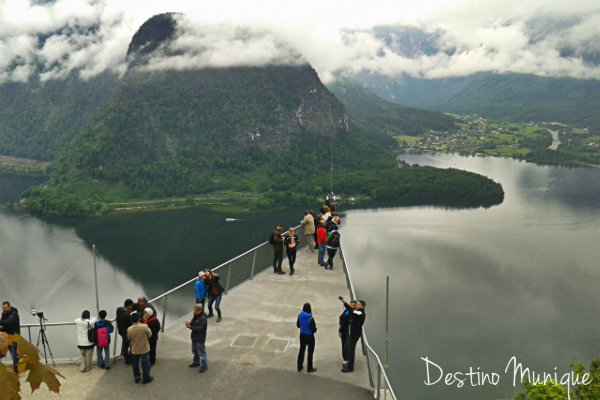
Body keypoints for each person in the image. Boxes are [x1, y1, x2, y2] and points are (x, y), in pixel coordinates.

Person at [339, 297, 366, 373]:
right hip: (350, 333)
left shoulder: (360, 313)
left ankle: (350, 368)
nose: (357, 305)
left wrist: (344, 302)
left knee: (351, 351)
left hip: (354, 335)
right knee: (346, 348)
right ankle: (348, 363)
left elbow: (351, 310)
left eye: (358, 304)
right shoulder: (357, 311)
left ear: (362, 306)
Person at [127, 312, 153, 384]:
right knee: (145, 364)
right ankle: (146, 378)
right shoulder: (144, 326)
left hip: (135, 349)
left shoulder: (129, 329)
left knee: (135, 364)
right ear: (139, 319)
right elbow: (150, 335)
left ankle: (137, 377)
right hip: (144, 348)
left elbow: (129, 338)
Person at [185, 303, 208, 373]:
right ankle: (196, 362)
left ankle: (204, 365)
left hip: (200, 337)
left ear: (200, 310)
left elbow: (200, 328)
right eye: (194, 311)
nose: (195, 312)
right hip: (194, 336)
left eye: (196, 311)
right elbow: (193, 322)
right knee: (194, 350)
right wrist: (189, 323)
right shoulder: (196, 315)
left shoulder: (203, 318)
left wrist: (190, 327)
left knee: (201, 352)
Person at [296, 303, 317, 373]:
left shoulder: (300, 315)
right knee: (310, 352)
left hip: (302, 335)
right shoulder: (311, 319)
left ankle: (299, 366)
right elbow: (314, 329)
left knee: (301, 350)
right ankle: (309, 368)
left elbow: (298, 325)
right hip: (309, 336)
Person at [0, 301, 20, 373]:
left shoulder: (14, 314)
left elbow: (8, 323)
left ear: (9, 307)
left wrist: (2, 324)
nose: (4, 309)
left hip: (13, 337)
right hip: (5, 337)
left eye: (5, 308)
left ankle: (16, 370)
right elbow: (3, 324)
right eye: (3, 308)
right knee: (1, 353)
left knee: (14, 355)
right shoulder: (4, 314)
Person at [116, 299, 133, 364]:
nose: (131, 307)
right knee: (127, 345)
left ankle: (126, 357)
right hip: (126, 332)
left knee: (125, 345)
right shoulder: (126, 315)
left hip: (120, 330)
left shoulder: (119, 310)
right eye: (131, 306)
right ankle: (128, 360)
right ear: (128, 306)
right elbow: (130, 324)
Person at [338, 300, 356, 365]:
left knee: (348, 346)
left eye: (353, 305)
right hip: (344, 331)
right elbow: (341, 317)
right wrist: (345, 316)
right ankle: (345, 358)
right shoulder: (346, 311)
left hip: (350, 332)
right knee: (344, 345)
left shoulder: (354, 313)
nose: (351, 306)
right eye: (351, 305)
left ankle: (348, 359)